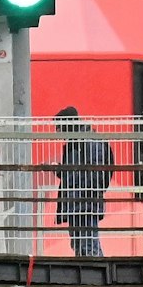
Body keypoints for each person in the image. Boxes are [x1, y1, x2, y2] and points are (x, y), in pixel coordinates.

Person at [52, 107, 114, 259]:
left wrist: (85, 191)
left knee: (87, 243)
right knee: (80, 243)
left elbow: (95, 172)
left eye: (59, 127)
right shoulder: (76, 142)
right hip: (77, 201)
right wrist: (59, 170)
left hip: (85, 201)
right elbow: (77, 172)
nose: (58, 132)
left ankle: (96, 268)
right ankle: (91, 267)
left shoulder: (88, 141)